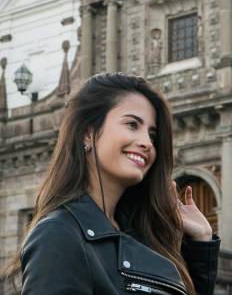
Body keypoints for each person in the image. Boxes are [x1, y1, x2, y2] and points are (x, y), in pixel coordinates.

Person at [3, 73, 220, 295]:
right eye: (132, 124)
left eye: (152, 136)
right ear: (88, 133)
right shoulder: (59, 234)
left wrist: (202, 243)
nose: (147, 143)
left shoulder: (144, 238)